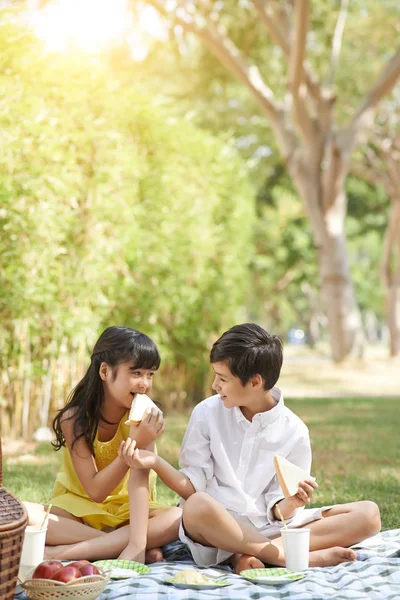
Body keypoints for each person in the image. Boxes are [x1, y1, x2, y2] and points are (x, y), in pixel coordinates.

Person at [122, 323, 381, 573]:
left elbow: (278, 511)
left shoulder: (295, 431)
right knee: (195, 506)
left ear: (255, 382)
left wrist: (292, 502)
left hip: (270, 529)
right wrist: (155, 461)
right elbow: (192, 487)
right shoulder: (206, 413)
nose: (215, 386)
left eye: (222, 378)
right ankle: (286, 557)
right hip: (215, 525)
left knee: (368, 514)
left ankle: (247, 554)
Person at [24, 326, 181, 563]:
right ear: (105, 371)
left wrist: (137, 540)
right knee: (23, 513)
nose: (145, 384)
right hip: (77, 509)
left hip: (130, 511)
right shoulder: (75, 419)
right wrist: (133, 443)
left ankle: (61, 552)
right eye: (136, 373)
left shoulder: (146, 418)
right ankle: (115, 543)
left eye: (150, 374)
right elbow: (96, 492)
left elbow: (140, 483)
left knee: (179, 517)